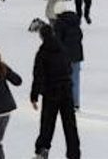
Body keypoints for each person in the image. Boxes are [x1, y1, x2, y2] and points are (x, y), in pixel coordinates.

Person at [31, 24, 80, 159]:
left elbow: (38, 76)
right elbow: (69, 69)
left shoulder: (42, 53)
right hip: (66, 92)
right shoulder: (63, 49)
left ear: (41, 36)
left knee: (47, 124)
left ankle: (42, 150)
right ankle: (74, 154)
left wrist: (34, 96)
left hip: (51, 93)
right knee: (70, 125)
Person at [53, 0, 85, 111]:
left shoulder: (59, 23)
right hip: (77, 55)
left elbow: (57, 41)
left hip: (65, 57)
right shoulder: (75, 22)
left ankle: (65, 103)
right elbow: (80, 37)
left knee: (63, 80)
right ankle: (76, 103)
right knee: (75, 80)